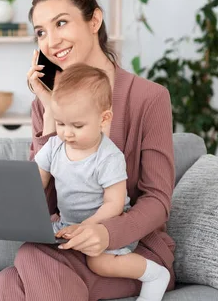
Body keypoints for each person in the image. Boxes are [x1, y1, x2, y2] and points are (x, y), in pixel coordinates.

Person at [0, 0, 176, 301]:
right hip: (70, 242)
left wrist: (105, 232)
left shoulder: (149, 98)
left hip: (129, 254)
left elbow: (158, 201)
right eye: (41, 32)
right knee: (5, 284)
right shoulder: (44, 102)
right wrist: (48, 113)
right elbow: (42, 206)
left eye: (61, 23)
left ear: (94, 20)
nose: (51, 40)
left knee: (12, 279)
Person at [35, 63, 170, 301]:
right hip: (68, 225)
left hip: (105, 225)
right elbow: (35, 181)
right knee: (35, 248)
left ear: (103, 118)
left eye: (77, 126)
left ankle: (154, 275)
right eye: (60, 123)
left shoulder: (108, 156)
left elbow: (114, 204)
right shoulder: (55, 146)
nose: (67, 133)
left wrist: (90, 225)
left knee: (99, 262)